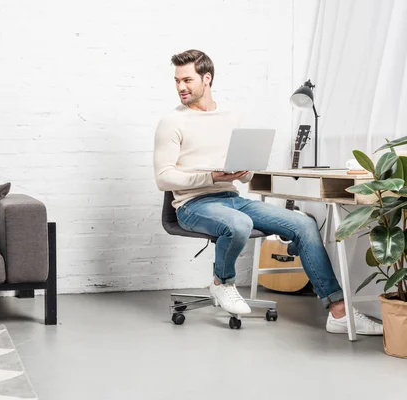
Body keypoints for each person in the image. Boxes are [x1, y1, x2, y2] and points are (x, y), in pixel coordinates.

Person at [153, 49, 382, 335]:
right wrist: (210, 176)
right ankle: (221, 283)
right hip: (192, 206)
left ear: (207, 78)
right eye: (177, 81)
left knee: (303, 222)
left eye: (187, 79)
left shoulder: (231, 116)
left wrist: (243, 172)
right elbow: (164, 178)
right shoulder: (172, 122)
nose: (181, 87)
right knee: (239, 224)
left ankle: (338, 312)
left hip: (231, 198)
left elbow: (246, 172)